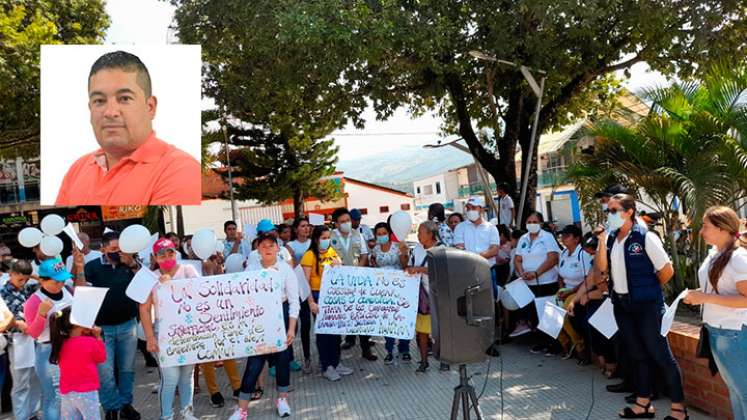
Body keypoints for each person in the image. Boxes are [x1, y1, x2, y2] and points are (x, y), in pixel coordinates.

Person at [55, 50, 200, 205]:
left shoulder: (179, 170)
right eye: (99, 101)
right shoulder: (77, 170)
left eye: (124, 98)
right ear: (90, 108)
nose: (110, 112)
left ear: (150, 107)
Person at [593, 193, 686, 420]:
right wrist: (602, 240)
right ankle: (643, 404)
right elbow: (601, 270)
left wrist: (648, 291)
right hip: (622, 305)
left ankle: (679, 410)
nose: (609, 215)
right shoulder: (613, 238)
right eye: (608, 211)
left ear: (629, 212)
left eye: (614, 210)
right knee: (636, 355)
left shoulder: (645, 236)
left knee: (661, 356)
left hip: (647, 306)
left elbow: (667, 271)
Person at [684, 206, 747, 419]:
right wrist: (699, 294)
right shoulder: (715, 253)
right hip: (718, 331)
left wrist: (705, 298)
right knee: (736, 391)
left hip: (733, 333)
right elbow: (717, 289)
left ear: (722, 229)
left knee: (744, 392)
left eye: (705, 226)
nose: (701, 231)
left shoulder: (738, 258)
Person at [231, 232, 300, 419]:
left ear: (278, 248)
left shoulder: (286, 269)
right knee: (254, 364)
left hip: (282, 315)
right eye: (264, 246)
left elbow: (294, 301)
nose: (268, 249)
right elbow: (240, 296)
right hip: (259, 319)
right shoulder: (251, 269)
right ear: (258, 250)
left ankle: (282, 400)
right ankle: (242, 409)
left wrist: (291, 328)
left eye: (272, 245)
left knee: (282, 361)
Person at [74, 231, 142, 420]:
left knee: (127, 369)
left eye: (120, 249)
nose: (117, 252)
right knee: (105, 373)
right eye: (113, 249)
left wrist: (133, 264)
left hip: (128, 325)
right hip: (102, 330)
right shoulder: (92, 267)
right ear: (102, 249)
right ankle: (111, 409)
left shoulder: (128, 264)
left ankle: (126, 404)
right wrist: (79, 267)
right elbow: (81, 290)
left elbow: (145, 283)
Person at [140, 238, 200, 420]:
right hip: (164, 333)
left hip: (189, 331)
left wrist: (172, 285)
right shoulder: (149, 278)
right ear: (155, 257)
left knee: (187, 375)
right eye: (162, 254)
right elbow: (143, 309)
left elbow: (201, 295)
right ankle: (166, 416)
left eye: (170, 252)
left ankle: (187, 412)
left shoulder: (188, 270)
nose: (167, 257)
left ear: (176, 253)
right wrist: (150, 338)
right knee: (170, 378)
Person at [23, 257, 75, 420]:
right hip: (48, 351)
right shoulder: (34, 301)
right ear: (43, 280)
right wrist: (42, 314)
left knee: (71, 394)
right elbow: (33, 333)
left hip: (70, 346)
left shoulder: (67, 289)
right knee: (54, 398)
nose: (60, 284)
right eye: (56, 281)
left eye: (62, 280)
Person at [302, 225, 351, 381]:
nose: (326, 240)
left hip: (333, 296)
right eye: (323, 238)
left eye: (328, 237)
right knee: (324, 333)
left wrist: (339, 265)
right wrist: (311, 302)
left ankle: (336, 363)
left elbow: (340, 272)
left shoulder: (331, 252)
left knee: (336, 331)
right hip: (317, 296)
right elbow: (305, 282)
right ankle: (326, 366)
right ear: (316, 239)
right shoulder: (309, 255)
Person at [511, 212, 561, 355]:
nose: (531, 224)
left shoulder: (547, 237)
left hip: (546, 281)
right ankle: (541, 341)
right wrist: (521, 273)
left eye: (535, 221)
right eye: (529, 221)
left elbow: (552, 258)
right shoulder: (523, 238)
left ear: (540, 223)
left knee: (548, 313)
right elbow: (518, 258)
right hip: (528, 282)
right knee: (533, 313)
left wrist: (537, 273)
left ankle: (554, 344)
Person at [331, 208, 376, 360]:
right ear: (336, 223)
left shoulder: (358, 235)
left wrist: (358, 271)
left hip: (357, 281)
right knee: (343, 315)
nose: (346, 224)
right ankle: (347, 342)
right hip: (338, 284)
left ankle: (366, 348)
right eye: (342, 222)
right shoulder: (330, 237)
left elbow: (364, 255)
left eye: (348, 221)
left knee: (361, 315)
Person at [0, 260, 41, 420]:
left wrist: (32, 276)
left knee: (35, 378)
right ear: (11, 274)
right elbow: (4, 319)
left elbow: (44, 283)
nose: (22, 283)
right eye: (19, 279)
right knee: (21, 382)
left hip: (34, 339)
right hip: (16, 341)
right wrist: (17, 323)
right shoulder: (2, 293)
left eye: (25, 279)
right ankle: (21, 416)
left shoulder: (30, 289)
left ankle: (33, 413)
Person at [49, 306, 106, 420]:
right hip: (87, 391)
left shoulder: (60, 343)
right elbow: (101, 357)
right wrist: (98, 337)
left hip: (67, 392)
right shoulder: (90, 342)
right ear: (78, 323)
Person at [405, 221, 443, 373]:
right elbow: (409, 266)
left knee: (440, 331)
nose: (418, 235)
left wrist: (419, 269)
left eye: (421, 232)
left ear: (430, 234)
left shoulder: (441, 250)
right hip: (421, 297)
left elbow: (442, 271)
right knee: (422, 331)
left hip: (438, 296)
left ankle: (443, 359)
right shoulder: (417, 250)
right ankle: (423, 361)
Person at [370, 222, 410, 364]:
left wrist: (404, 253)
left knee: (402, 317)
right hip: (383, 291)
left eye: (384, 233)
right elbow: (373, 267)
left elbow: (405, 266)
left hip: (399, 287)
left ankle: (404, 348)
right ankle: (389, 350)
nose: (381, 236)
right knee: (387, 319)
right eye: (378, 234)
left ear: (389, 233)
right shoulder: (375, 250)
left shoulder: (398, 246)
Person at [555, 225, 593, 362]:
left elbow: (587, 279)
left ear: (577, 239)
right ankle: (565, 344)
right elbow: (560, 275)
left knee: (565, 314)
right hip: (564, 290)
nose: (563, 238)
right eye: (562, 236)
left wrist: (570, 291)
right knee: (550, 314)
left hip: (578, 291)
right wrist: (561, 290)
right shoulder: (564, 253)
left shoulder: (583, 254)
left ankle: (580, 346)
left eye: (567, 236)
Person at [454, 197, 500, 298]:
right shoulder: (460, 227)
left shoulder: (491, 228)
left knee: (491, 301)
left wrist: (474, 257)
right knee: (471, 303)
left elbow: (494, 250)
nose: (470, 211)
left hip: (487, 271)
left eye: (473, 208)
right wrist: (477, 257)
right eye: (468, 208)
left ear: (482, 210)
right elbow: (459, 249)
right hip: (467, 272)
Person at [285, 217, 314, 374]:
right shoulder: (290, 246)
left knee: (309, 325)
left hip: (313, 287)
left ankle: (308, 357)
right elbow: (292, 265)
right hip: (297, 290)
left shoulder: (313, 243)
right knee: (296, 326)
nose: (306, 228)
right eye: (302, 226)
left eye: (307, 226)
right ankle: (290, 357)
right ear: (296, 229)